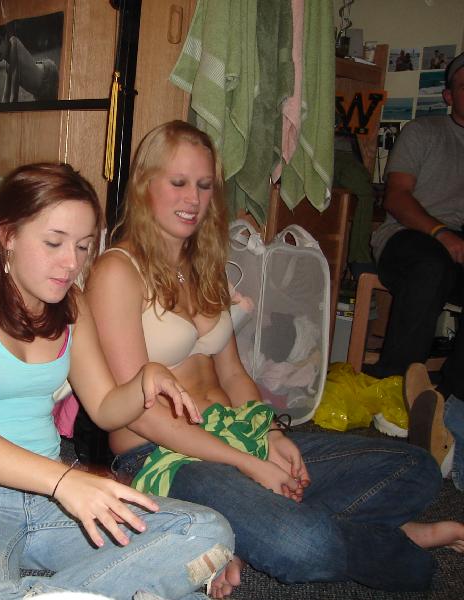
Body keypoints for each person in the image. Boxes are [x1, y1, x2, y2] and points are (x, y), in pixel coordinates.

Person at [85, 120, 464, 596]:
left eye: (204, 185)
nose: (193, 199)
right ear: (144, 185)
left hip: (236, 431)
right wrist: (249, 464)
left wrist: (269, 433)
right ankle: (396, 541)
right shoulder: (117, 271)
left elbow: (233, 373)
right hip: (164, 455)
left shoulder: (204, 265)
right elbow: (142, 414)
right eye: (178, 182)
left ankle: (246, 528)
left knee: (416, 470)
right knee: (303, 546)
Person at [0, 162, 234, 600]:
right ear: (8, 236)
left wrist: (144, 381)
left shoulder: (71, 304)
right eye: (54, 243)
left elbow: (105, 407)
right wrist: (62, 481)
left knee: (206, 531)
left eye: (82, 246)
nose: (71, 263)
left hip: (51, 497)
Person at [369, 52, 464, 471]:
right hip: (407, 237)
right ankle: (394, 389)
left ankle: (452, 405)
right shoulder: (424, 131)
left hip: (457, 243)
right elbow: (396, 197)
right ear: (448, 95)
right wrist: (442, 234)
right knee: (431, 265)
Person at [0, 25, 59, 102]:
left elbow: (14, 96)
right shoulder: (8, 67)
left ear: (6, 38)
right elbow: (6, 96)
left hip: (48, 77)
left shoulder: (13, 42)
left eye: (0, 42)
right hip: (39, 92)